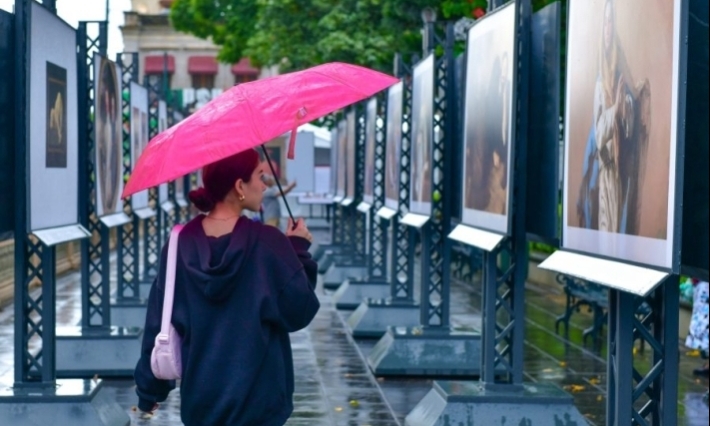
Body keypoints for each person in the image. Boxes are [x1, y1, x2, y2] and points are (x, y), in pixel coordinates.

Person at [133, 149, 319, 425]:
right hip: (260, 400)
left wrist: (149, 392)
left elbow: (158, 321)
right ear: (239, 186)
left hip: (201, 400)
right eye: (260, 176)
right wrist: (298, 250)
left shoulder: (179, 245)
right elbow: (298, 309)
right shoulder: (268, 243)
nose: (266, 184)